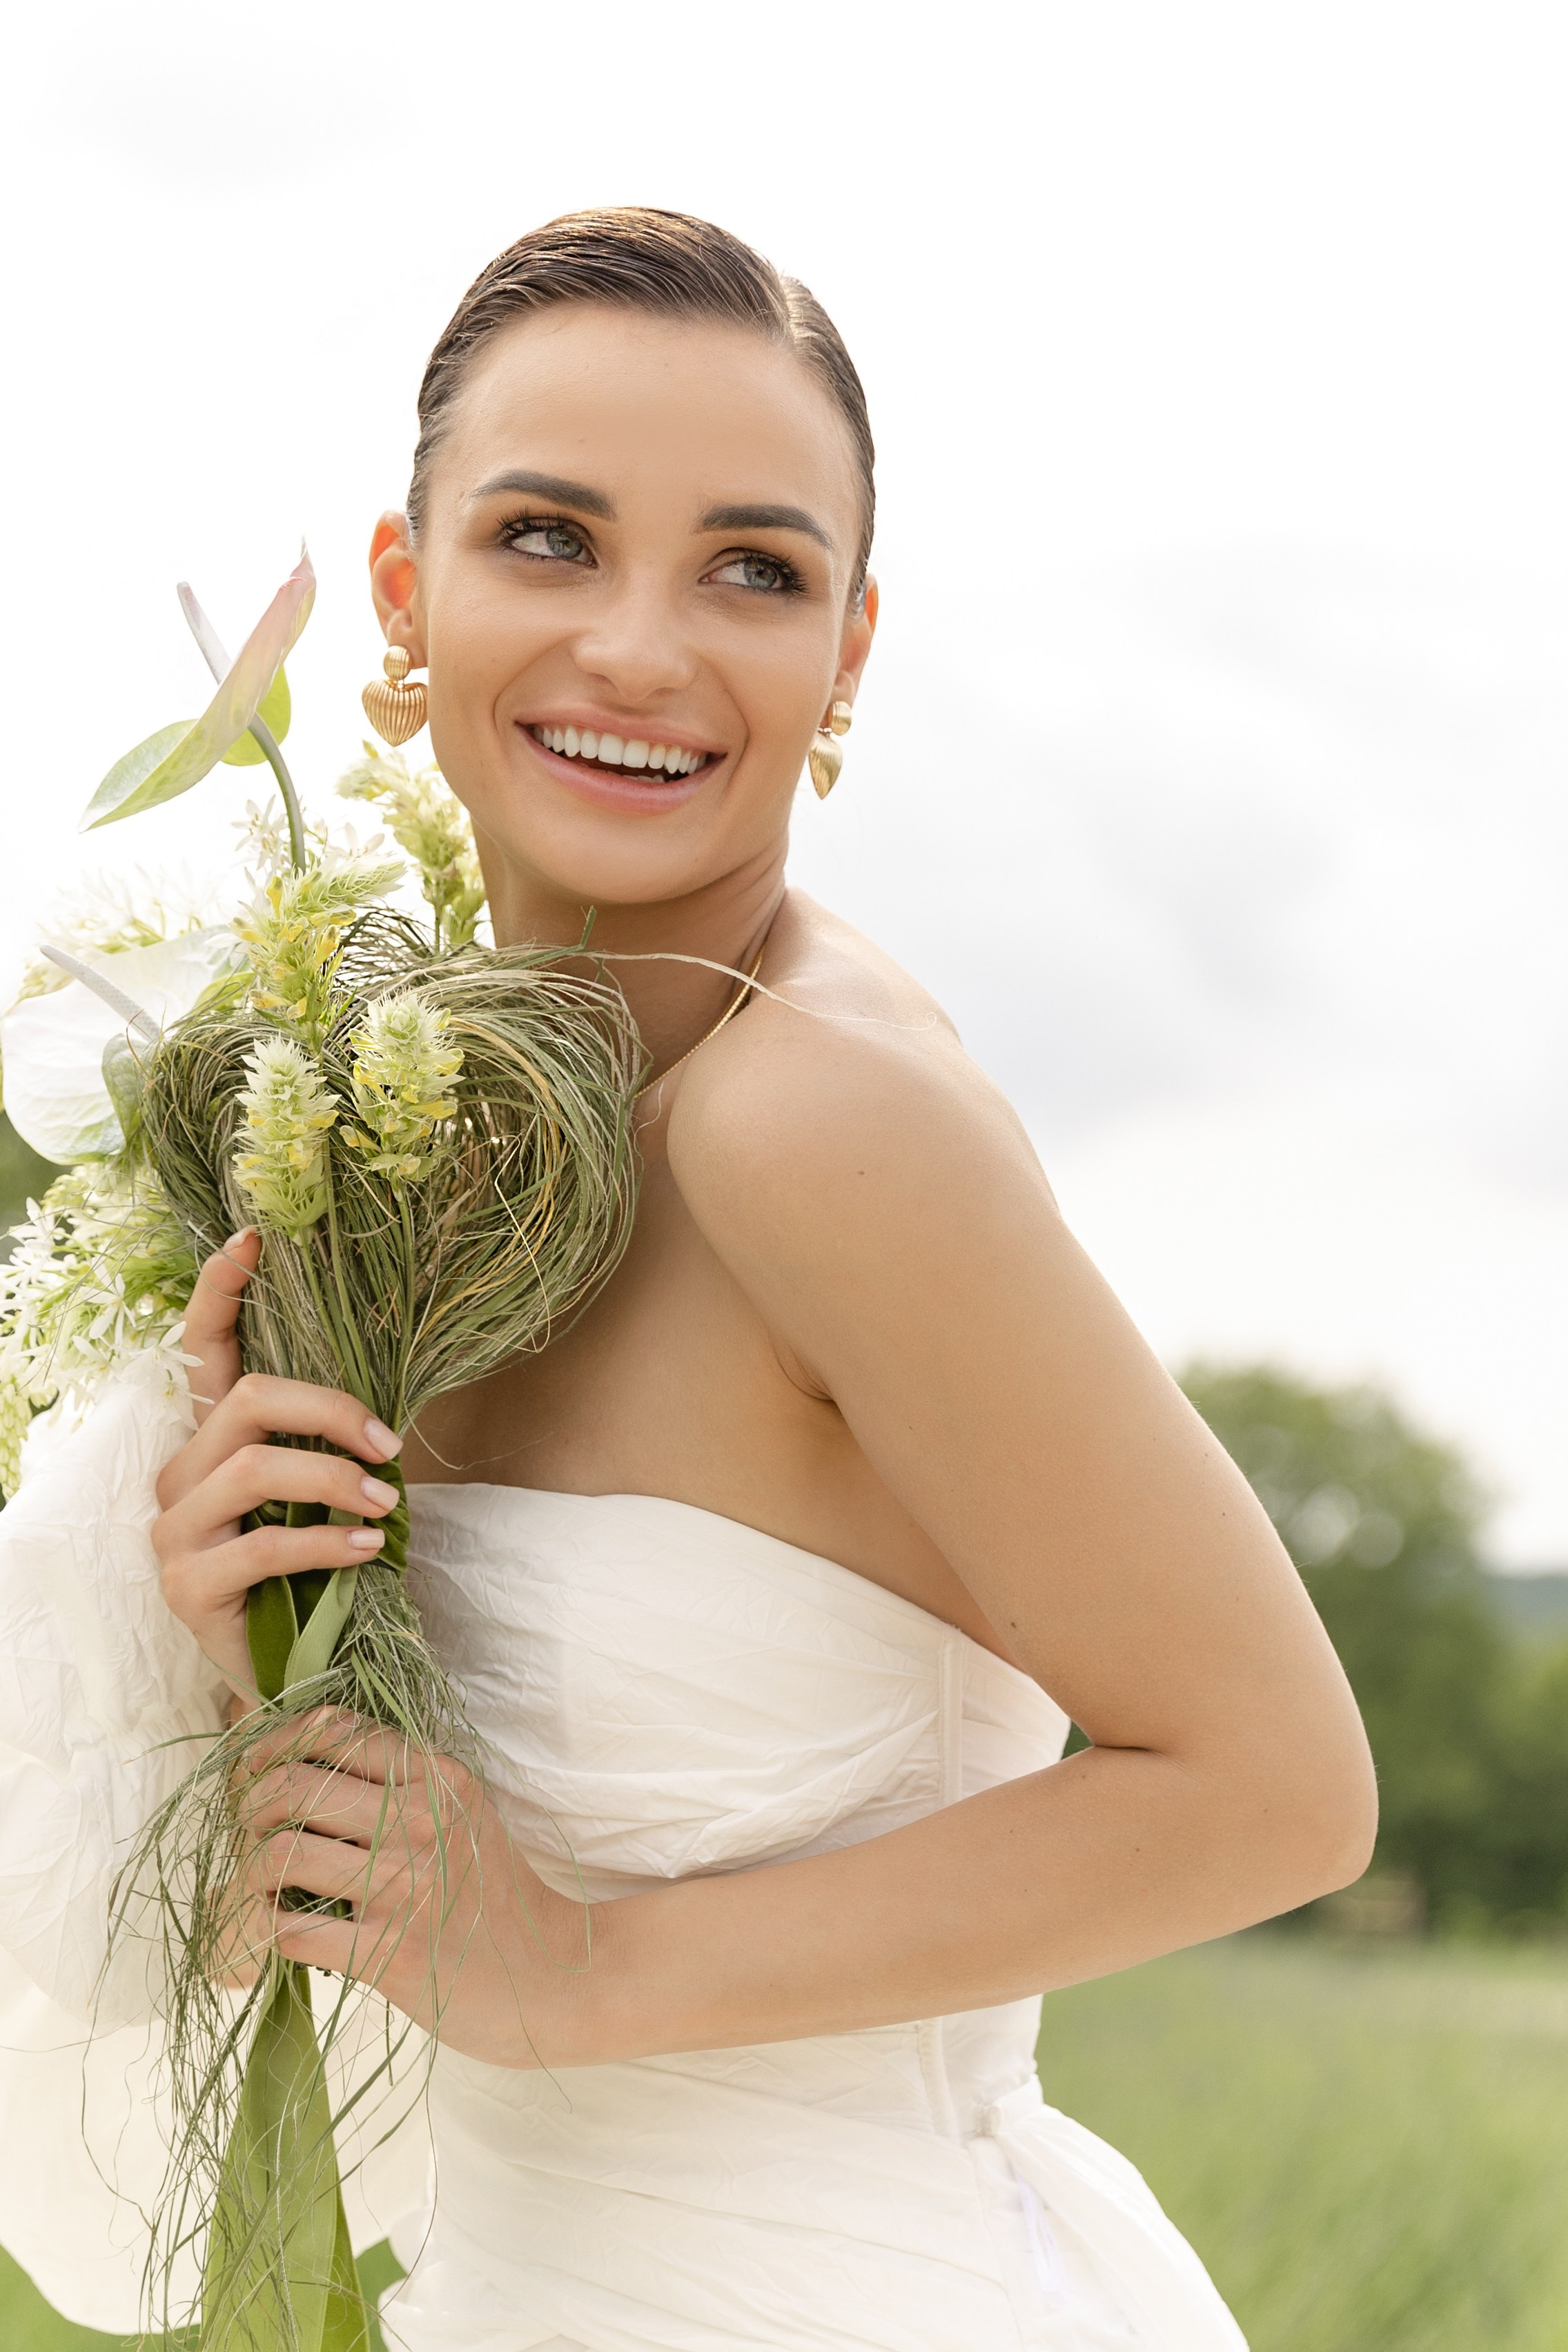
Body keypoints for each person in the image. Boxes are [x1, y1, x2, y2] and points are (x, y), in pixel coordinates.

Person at [17, 210, 1378, 2351]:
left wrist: (586, 1973)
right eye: (549, 537)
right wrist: (247, 1599)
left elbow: (1281, 1787)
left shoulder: (811, 1120)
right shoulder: (409, 1126)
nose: (642, 647)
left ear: (848, 652)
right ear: (406, 594)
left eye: (755, 569)